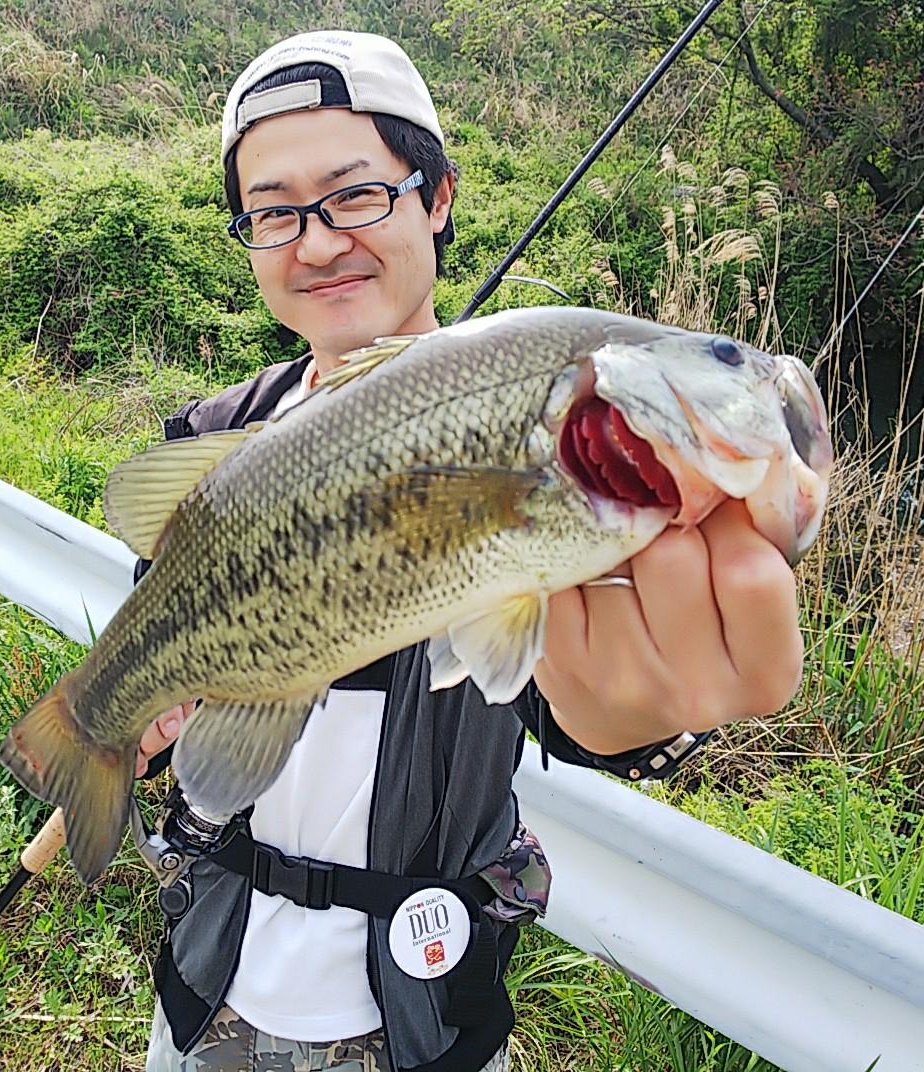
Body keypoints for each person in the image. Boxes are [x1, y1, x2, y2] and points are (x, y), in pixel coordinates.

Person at [133, 30, 804, 1072]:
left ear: (436, 196)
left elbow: (564, 700)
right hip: (206, 994)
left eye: (355, 195)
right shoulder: (207, 438)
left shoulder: (559, 442)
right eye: (273, 211)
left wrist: (635, 718)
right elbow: (165, 650)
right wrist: (136, 729)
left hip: (425, 1023)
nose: (315, 243)